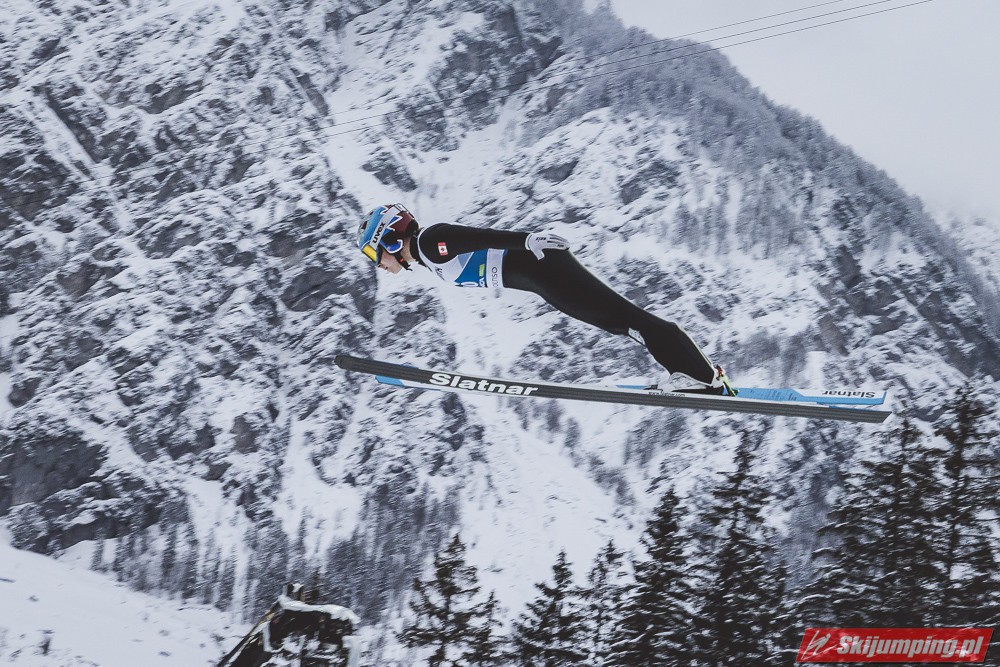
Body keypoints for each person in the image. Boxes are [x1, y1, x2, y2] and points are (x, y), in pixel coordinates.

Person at [356, 203, 736, 395]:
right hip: (543, 278)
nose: (379, 264)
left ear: (389, 238)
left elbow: (476, 236)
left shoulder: (429, 242)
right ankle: (700, 375)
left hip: (544, 268)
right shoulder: (426, 255)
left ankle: (700, 378)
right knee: (622, 322)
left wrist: (526, 240)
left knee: (626, 319)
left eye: (375, 254)